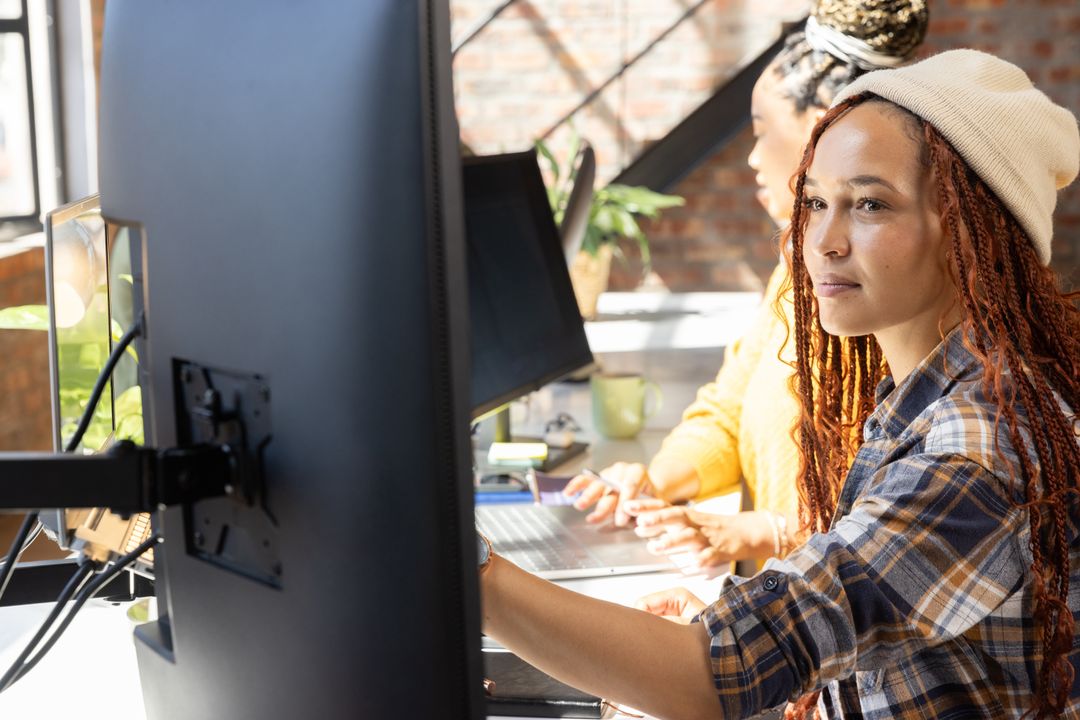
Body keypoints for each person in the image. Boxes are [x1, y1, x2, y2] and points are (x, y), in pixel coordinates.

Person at [480, 50, 1080, 719]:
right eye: (817, 202)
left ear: (970, 231)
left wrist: (467, 568)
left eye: (870, 204)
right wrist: (726, 632)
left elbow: (707, 677)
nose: (822, 239)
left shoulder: (974, 447)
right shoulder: (914, 400)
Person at [565, 0, 929, 571]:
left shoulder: (889, 300)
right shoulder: (794, 270)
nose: (754, 160)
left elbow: (903, 523)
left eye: (763, 132)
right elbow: (728, 411)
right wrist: (651, 484)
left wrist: (765, 532)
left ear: (826, 134)